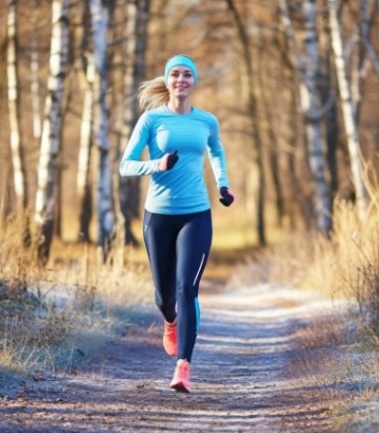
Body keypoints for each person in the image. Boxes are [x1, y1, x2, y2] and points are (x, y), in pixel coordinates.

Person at [119, 54, 235, 393]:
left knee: (188, 289)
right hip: (158, 217)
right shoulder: (151, 120)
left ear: (194, 81)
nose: (181, 79)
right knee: (163, 296)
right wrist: (156, 165)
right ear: (167, 81)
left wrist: (223, 185)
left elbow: (216, 152)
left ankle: (183, 367)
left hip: (196, 214)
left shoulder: (206, 121)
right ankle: (170, 321)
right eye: (175, 74)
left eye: (187, 74)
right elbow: (126, 165)